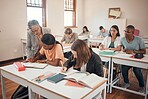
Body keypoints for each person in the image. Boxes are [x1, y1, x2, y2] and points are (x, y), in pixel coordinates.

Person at [121, 25, 146, 93]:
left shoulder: (139, 40)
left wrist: (133, 51)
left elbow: (144, 51)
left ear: (133, 32)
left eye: (128, 32)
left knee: (136, 70)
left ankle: (142, 86)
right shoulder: (122, 39)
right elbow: (122, 48)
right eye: (125, 31)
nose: (126, 33)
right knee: (123, 68)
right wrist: (123, 50)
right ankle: (126, 83)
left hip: (137, 59)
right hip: (128, 59)